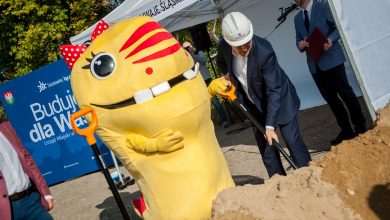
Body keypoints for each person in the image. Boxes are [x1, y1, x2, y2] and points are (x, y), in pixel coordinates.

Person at [211, 11, 311, 177]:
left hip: (281, 98)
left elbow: (274, 90)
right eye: (239, 45)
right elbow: (222, 62)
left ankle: (308, 177)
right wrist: (229, 77)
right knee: (268, 151)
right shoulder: (223, 46)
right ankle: (279, 184)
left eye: (247, 42)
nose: (245, 47)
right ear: (229, 43)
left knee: (292, 142)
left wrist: (270, 126)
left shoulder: (265, 51)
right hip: (254, 104)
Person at [293, 0, 367, 145]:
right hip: (314, 65)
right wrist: (300, 44)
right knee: (332, 100)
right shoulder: (297, 18)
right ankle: (346, 130)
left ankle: (360, 126)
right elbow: (298, 40)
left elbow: (338, 28)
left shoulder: (324, 5)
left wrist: (330, 40)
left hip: (332, 60)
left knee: (346, 94)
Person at [0, 119, 54, 220]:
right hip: (5, 211)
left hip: (31, 201)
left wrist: (45, 193)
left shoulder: (5, 126)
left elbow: (27, 159)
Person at [183, 41, 232, 128]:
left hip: (207, 81)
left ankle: (225, 120)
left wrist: (193, 55)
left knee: (216, 102)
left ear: (192, 45)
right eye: (185, 48)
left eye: (188, 47)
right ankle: (207, 126)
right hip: (197, 84)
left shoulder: (199, 52)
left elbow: (204, 61)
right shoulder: (185, 58)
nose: (187, 49)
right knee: (202, 105)